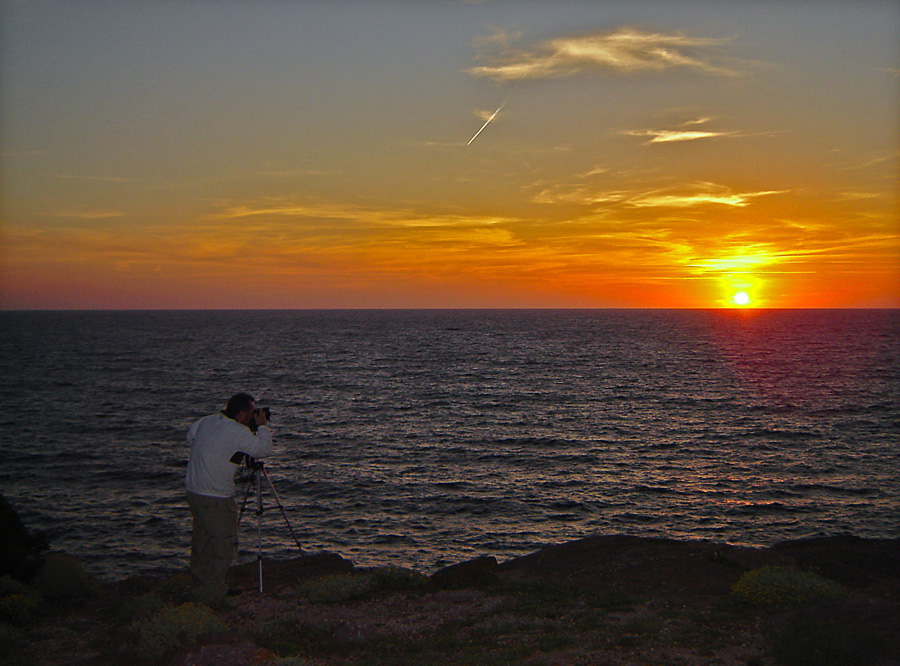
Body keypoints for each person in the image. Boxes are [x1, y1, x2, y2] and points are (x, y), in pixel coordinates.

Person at [185, 393, 273, 597]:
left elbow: (190, 436)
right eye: (251, 413)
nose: (253, 416)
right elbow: (263, 450)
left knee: (202, 540)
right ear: (241, 414)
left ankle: (199, 583)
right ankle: (213, 590)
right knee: (224, 543)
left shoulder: (207, 420)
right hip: (216, 496)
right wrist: (262, 426)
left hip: (194, 490)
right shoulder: (238, 431)